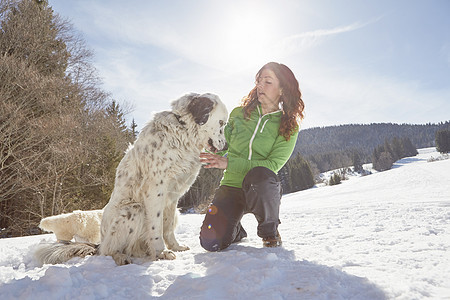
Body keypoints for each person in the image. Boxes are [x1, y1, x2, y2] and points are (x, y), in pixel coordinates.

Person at [199, 62, 305, 251]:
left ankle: (269, 231)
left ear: (282, 89)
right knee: (210, 243)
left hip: (260, 188)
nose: (260, 86)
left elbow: (272, 165)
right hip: (230, 186)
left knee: (261, 175)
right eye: (259, 81)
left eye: (268, 81)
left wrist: (229, 163)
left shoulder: (288, 125)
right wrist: (213, 150)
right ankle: (236, 230)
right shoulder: (239, 114)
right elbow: (225, 145)